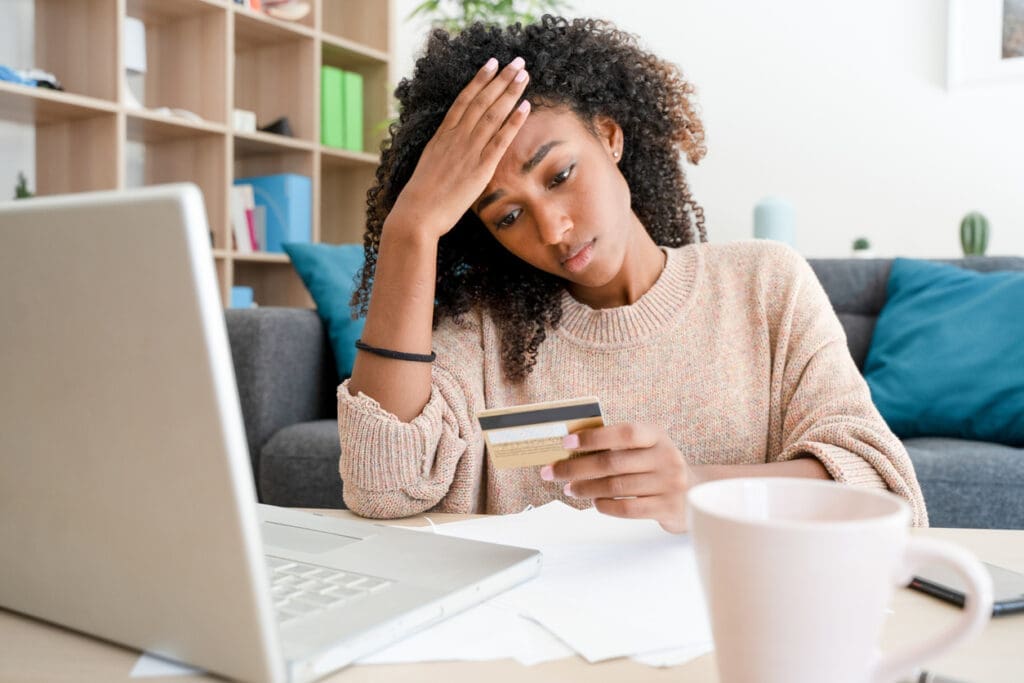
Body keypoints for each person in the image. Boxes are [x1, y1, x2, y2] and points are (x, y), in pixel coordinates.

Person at [338, 16, 927, 532]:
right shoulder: (482, 333)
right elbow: (381, 491)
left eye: (560, 175)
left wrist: (697, 489)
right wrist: (411, 229)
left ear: (610, 136)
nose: (553, 229)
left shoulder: (764, 283)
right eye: (508, 216)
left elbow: (886, 490)